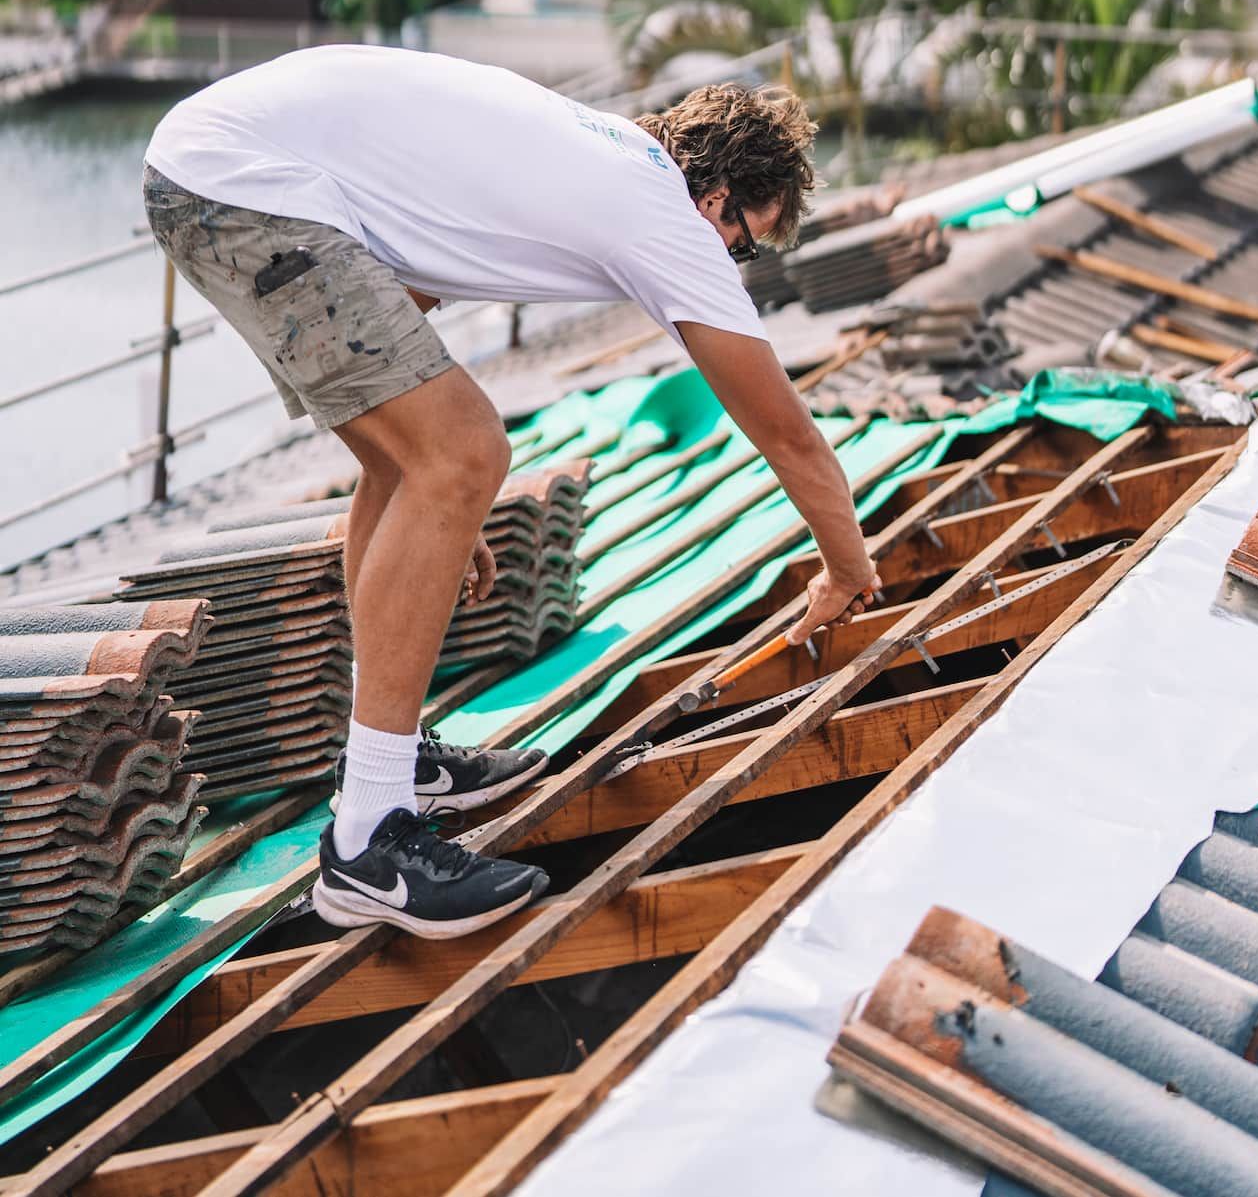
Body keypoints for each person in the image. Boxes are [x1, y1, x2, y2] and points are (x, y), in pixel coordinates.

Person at [143, 46, 880, 940]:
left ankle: (392, 760)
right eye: (746, 244)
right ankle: (368, 840)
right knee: (465, 448)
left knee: (425, 460)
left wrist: (438, 504)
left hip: (224, 166)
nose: (737, 266)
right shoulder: (663, 214)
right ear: (717, 200)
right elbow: (787, 433)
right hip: (243, 183)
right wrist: (845, 567)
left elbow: (404, 294)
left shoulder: (605, 155)